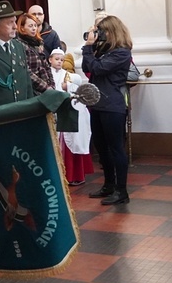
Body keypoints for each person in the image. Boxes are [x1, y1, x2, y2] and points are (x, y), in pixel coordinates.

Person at [82, 15, 133, 205]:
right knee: (102, 149)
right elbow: (87, 66)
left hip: (112, 106)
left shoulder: (122, 52)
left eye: (101, 31)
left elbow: (98, 68)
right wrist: (91, 47)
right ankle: (109, 185)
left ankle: (122, 191)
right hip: (97, 104)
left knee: (116, 149)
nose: (98, 35)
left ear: (111, 31)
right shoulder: (104, 50)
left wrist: (88, 47)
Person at [50, 49, 93, 185]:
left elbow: (76, 92)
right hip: (53, 113)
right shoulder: (46, 74)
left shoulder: (69, 76)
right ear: (50, 59)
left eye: (61, 60)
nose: (59, 62)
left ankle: (72, 175)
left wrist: (67, 86)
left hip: (66, 115)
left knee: (70, 142)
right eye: (57, 59)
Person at [15, 12, 55, 95]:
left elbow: (46, 66)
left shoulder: (38, 43)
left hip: (46, 88)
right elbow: (27, 72)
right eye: (30, 26)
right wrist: (45, 87)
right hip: (32, 91)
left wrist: (52, 84)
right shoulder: (19, 45)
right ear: (22, 28)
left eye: (35, 25)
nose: (34, 28)